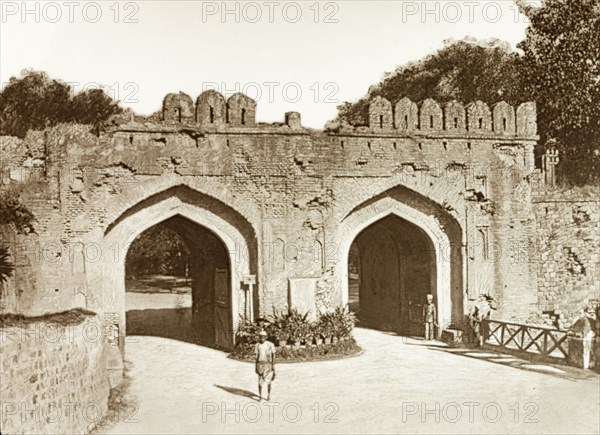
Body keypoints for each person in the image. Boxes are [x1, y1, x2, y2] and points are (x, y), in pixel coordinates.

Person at [255, 330, 276, 401]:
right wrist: (256, 366)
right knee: (260, 381)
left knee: (269, 381)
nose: (262, 338)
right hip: (260, 364)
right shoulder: (257, 345)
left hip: (268, 364)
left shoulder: (270, 344)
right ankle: (260, 396)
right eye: (260, 337)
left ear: (266, 337)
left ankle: (268, 395)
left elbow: (274, 354)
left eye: (263, 337)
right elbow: (257, 356)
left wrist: (273, 364)